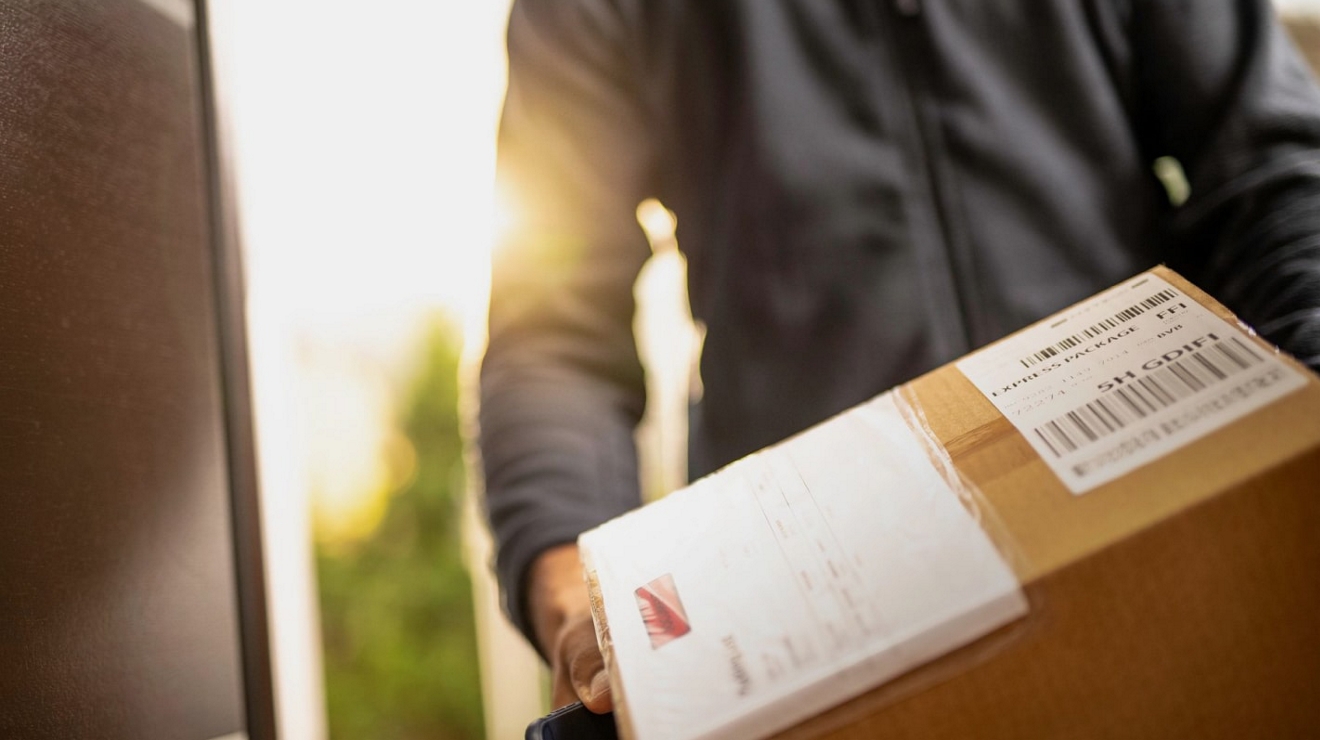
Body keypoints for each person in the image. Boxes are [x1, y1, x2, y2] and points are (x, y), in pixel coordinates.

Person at [477, 0, 1320, 714]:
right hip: (811, 638)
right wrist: (573, 589)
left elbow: (1268, 169)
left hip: (1168, 542)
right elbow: (555, 334)